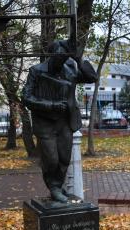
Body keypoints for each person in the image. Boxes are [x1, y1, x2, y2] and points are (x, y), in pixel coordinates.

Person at [22, 40, 97, 203]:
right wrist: (51, 106)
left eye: (64, 58)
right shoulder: (36, 71)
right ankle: (54, 187)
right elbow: (26, 98)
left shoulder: (70, 69)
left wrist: (78, 60)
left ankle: (57, 186)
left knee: (64, 157)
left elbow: (92, 77)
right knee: (51, 158)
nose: (61, 61)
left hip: (65, 121)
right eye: (58, 57)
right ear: (51, 55)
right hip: (45, 123)